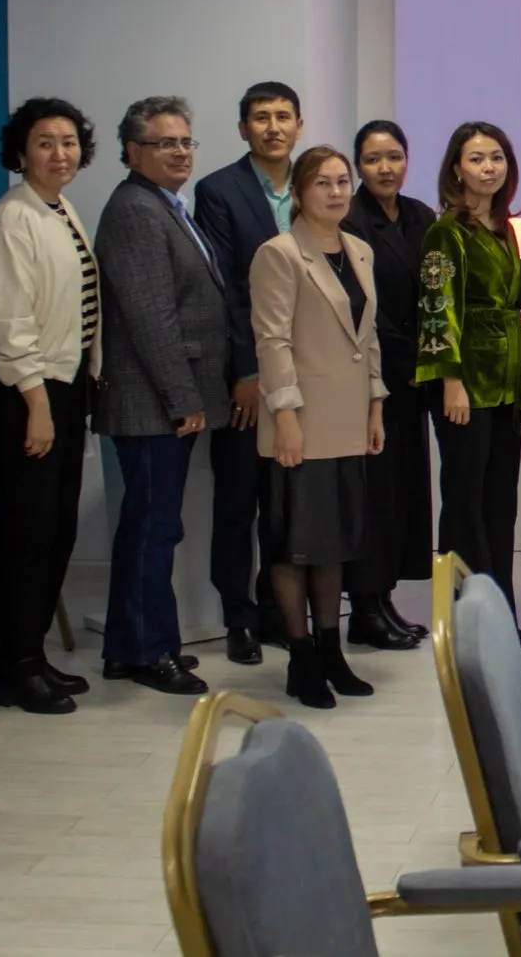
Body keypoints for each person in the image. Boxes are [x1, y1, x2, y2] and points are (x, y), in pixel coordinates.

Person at [0, 98, 101, 716]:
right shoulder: (11, 219)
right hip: (28, 393)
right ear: (20, 153)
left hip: (65, 388)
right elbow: (8, 323)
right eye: (45, 143)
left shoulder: (58, 208)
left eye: (69, 142)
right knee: (27, 534)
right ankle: (15, 668)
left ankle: (34, 654)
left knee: (56, 529)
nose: (59, 153)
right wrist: (38, 404)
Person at [94, 97, 228, 696]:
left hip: (164, 398)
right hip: (151, 403)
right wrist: (182, 397)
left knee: (153, 526)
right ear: (132, 152)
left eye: (185, 141)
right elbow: (151, 319)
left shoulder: (165, 204)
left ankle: (131, 646)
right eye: (164, 142)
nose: (179, 152)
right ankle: (150, 651)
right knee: (153, 529)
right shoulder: (135, 211)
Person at [250, 146, 386, 708]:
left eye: (342, 182)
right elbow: (272, 342)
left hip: (347, 418)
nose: (335, 192)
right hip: (300, 421)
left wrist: (375, 404)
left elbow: (367, 338)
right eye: (322, 183)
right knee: (294, 544)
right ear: (300, 193)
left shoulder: (359, 250)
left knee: (333, 542)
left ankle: (331, 649)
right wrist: (284, 415)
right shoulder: (279, 254)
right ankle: (301, 658)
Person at [193, 81, 302, 666]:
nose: (273, 127)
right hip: (247, 376)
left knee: (285, 505)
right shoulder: (219, 190)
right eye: (261, 117)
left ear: (299, 125)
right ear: (243, 129)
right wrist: (246, 370)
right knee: (238, 503)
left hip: (305, 375)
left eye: (283, 116)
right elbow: (227, 291)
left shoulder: (314, 184)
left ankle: (275, 613)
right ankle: (237, 617)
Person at [417, 122, 521, 629]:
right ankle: (464, 614)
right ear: (457, 168)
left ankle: (498, 609)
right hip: (466, 385)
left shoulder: (503, 228)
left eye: (496, 157)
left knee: (500, 502)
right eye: (477, 159)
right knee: (465, 502)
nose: (488, 168)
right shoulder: (446, 231)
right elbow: (436, 309)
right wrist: (451, 381)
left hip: (507, 385)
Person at [340, 121, 434, 650]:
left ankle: (385, 599)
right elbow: (362, 308)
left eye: (394, 156)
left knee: (402, 492)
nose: (385, 168)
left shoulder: (420, 216)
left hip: (416, 381)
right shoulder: (349, 219)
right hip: (372, 378)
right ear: (359, 165)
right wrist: (407, 357)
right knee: (373, 494)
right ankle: (365, 607)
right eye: (373, 159)